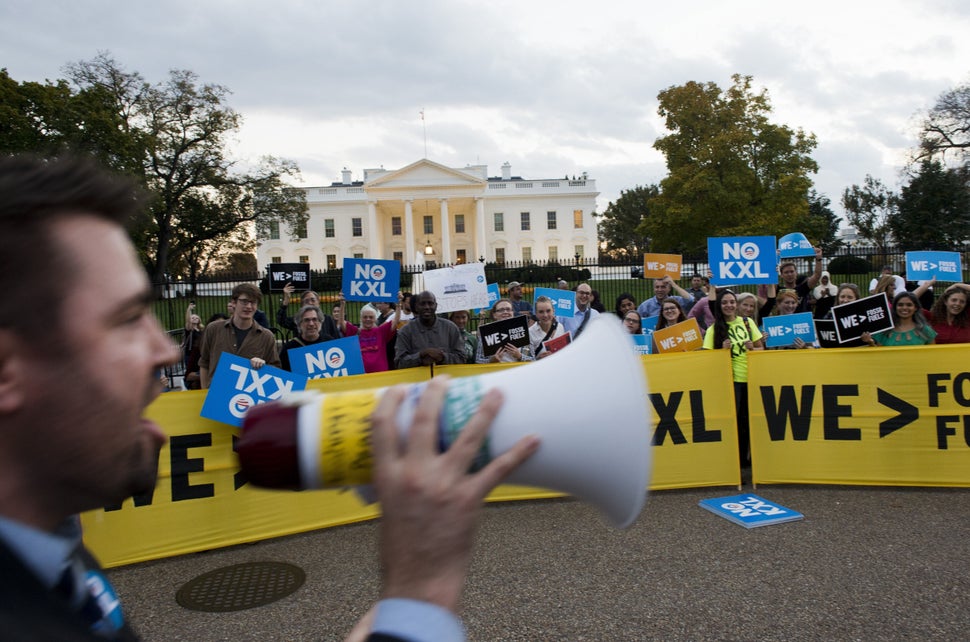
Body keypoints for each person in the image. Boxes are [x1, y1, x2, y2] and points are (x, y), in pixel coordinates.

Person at [0, 155, 539, 642]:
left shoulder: (51, 554)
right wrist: (421, 595)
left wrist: (409, 593)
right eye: (123, 321)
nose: (165, 354)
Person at [703, 289, 763, 467]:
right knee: (735, 423)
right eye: (724, 303)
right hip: (731, 382)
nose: (728, 305)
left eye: (731, 302)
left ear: (736, 304)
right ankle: (735, 462)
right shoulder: (713, 330)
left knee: (750, 420)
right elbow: (707, 360)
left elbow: (762, 349)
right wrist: (722, 351)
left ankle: (748, 459)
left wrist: (753, 348)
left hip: (751, 378)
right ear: (719, 307)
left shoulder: (747, 322)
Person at [199, 283, 281, 388]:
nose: (249, 306)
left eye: (253, 302)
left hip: (249, 398)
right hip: (217, 395)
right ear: (233, 303)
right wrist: (204, 393)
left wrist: (263, 366)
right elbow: (204, 363)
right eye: (244, 301)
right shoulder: (213, 329)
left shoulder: (266, 336)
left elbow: (276, 369)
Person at [394, 291, 466, 369]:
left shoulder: (450, 328)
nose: (427, 307)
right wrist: (420, 356)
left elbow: (462, 358)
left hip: (445, 379)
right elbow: (399, 363)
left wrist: (442, 357)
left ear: (436, 306)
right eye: (423, 304)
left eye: (430, 303)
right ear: (416, 307)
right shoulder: (405, 331)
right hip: (417, 380)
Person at [341, 295, 404, 373]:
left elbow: (396, 321)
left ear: (375, 319)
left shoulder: (381, 331)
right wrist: (342, 304)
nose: (368, 319)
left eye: (371, 317)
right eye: (365, 317)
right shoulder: (356, 332)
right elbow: (342, 323)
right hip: (362, 376)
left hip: (381, 375)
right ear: (361, 319)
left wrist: (398, 305)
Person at [864, 291, 937, 347]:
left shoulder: (926, 331)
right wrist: (871, 343)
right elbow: (880, 356)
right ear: (895, 308)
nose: (904, 308)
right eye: (900, 305)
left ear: (916, 308)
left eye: (909, 305)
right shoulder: (884, 330)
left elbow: (932, 356)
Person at [476, 299, 534, 363]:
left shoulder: (523, 330)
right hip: (497, 371)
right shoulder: (486, 332)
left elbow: (533, 360)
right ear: (494, 315)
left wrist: (520, 356)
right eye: (501, 310)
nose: (505, 312)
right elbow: (478, 360)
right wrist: (491, 361)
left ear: (512, 312)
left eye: (508, 309)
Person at [280, 305, 330, 372]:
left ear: (320, 322)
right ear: (299, 324)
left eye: (314, 319)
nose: (311, 324)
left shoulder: (329, 343)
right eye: (306, 320)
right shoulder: (289, 348)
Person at [778, 246, 823, 313]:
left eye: (792, 271)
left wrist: (818, 259)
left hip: (802, 321)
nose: (789, 274)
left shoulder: (803, 288)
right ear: (781, 275)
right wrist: (773, 257)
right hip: (784, 322)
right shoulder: (778, 290)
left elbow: (817, 275)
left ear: (796, 273)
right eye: (786, 272)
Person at [182, 303, 204, 389]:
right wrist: (189, 309)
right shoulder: (189, 329)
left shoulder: (201, 330)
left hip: (198, 353)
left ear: (199, 320)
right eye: (193, 317)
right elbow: (187, 320)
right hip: (189, 353)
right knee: (190, 370)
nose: (194, 319)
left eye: (196, 318)